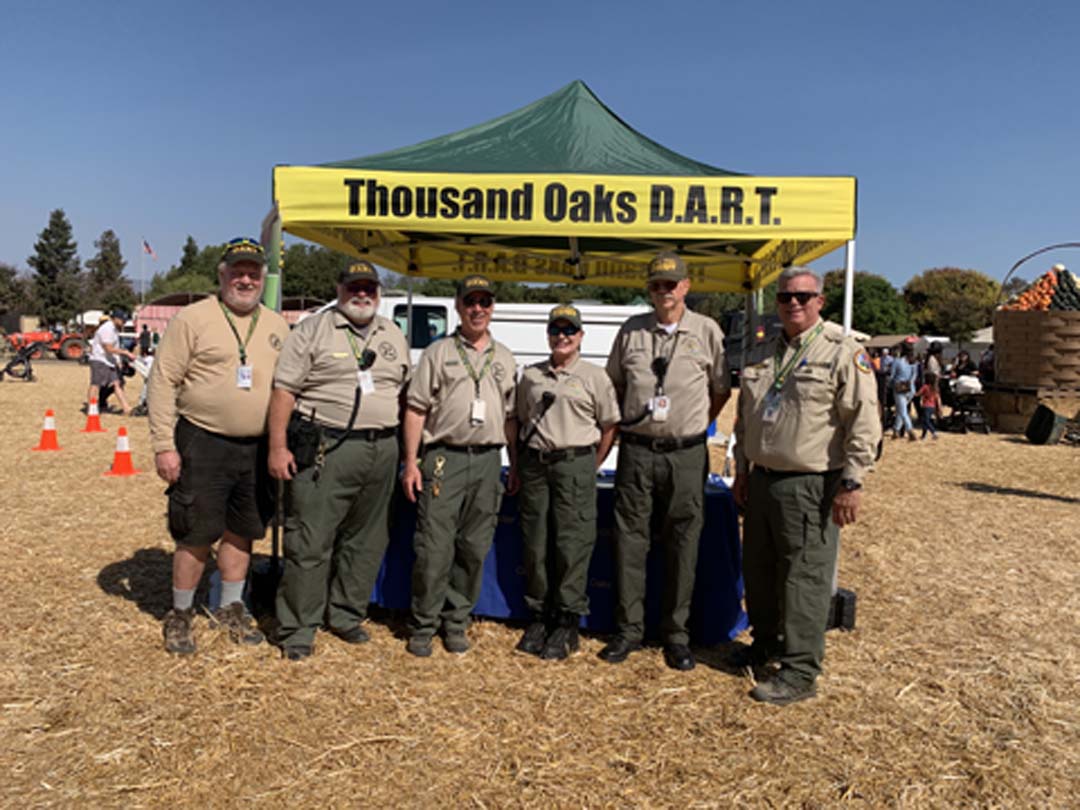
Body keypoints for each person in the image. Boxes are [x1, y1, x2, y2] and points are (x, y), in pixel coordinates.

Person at [732, 266, 881, 705]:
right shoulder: (764, 352)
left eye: (802, 296)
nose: (792, 304)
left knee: (803, 580)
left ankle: (799, 670)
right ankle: (766, 646)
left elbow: (864, 421)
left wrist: (852, 482)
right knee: (759, 572)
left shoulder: (841, 352)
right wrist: (742, 470)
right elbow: (746, 420)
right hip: (762, 481)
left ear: (820, 300)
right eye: (784, 297)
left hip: (810, 484)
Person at [148, 237, 288, 655]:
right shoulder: (193, 319)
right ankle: (180, 613)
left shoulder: (277, 326)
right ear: (222, 274)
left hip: (257, 445)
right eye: (237, 271)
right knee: (195, 531)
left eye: (253, 272)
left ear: (262, 278)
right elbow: (162, 380)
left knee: (243, 530)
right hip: (203, 439)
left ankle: (230, 606)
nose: (245, 279)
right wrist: (163, 445)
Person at [268, 262, 410, 661]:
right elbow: (283, 391)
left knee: (366, 540)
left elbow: (402, 392)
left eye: (369, 288)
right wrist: (278, 447)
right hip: (326, 446)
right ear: (339, 289)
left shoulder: (392, 334)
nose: (361, 294)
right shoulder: (314, 329)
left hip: (382, 448)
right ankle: (298, 627)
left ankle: (345, 613)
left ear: (378, 292)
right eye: (354, 287)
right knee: (311, 540)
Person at [601, 251, 731, 671]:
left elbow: (720, 391)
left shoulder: (707, 331)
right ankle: (628, 631)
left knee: (684, 544)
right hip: (637, 452)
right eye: (656, 285)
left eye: (671, 285)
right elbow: (614, 386)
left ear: (686, 287)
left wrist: (693, 425)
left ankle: (676, 635)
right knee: (629, 542)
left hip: (686, 454)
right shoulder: (632, 331)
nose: (664, 292)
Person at [401, 275, 519, 657]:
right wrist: (410, 462)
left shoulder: (504, 357)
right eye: (471, 301)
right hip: (443, 458)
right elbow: (416, 408)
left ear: (493, 308)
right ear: (457, 306)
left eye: (485, 302)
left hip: (487, 461)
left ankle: (456, 622)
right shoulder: (439, 352)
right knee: (434, 548)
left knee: (473, 547)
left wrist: (513, 463)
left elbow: (512, 417)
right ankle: (423, 624)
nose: (478, 309)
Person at [514, 305, 620, 660]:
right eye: (556, 330)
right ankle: (540, 614)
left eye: (569, 331)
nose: (562, 336)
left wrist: (592, 463)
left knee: (571, 544)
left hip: (574, 464)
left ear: (581, 336)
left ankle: (567, 620)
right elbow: (519, 420)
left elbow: (609, 427)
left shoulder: (595, 377)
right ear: (547, 335)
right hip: (535, 466)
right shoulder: (531, 375)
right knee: (536, 542)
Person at [88, 309, 136, 415]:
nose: (124, 322)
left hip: (109, 361)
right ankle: (92, 408)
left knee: (117, 383)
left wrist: (118, 361)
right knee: (96, 385)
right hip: (99, 359)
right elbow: (108, 348)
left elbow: (115, 347)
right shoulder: (107, 329)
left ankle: (126, 409)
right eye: (122, 320)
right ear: (116, 319)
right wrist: (126, 353)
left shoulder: (115, 330)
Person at [889, 343, 918, 441]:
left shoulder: (897, 361)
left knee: (903, 411)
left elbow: (892, 376)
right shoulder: (914, 362)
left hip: (899, 387)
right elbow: (914, 377)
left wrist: (890, 384)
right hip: (911, 388)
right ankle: (896, 430)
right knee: (901, 410)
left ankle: (910, 430)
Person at [916, 371, 941, 440]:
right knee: (925, 421)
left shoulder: (925, 387)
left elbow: (918, 394)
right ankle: (923, 435)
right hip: (932, 406)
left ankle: (934, 432)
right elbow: (937, 398)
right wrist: (938, 408)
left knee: (926, 421)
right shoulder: (935, 388)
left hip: (926, 406)